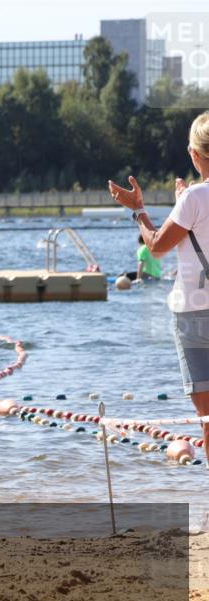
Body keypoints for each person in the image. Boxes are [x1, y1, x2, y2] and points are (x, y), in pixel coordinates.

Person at [108, 110, 209, 442]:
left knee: (208, 416)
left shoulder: (194, 198)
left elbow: (156, 247)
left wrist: (138, 210)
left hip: (194, 313)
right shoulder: (191, 198)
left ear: (195, 156)